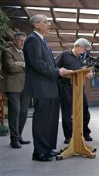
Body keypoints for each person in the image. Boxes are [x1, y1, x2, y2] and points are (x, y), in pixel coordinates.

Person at [23, 14, 71, 161]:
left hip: (50, 88)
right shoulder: (32, 40)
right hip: (41, 89)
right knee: (42, 121)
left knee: (51, 120)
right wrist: (58, 72)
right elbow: (38, 64)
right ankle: (39, 152)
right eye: (45, 22)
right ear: (36, 25)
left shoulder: (42, 40)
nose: (49, 24)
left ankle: (49, 148)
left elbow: (50, 64)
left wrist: (62, 70)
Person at [55, 38, 93, 144]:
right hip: (65, 87)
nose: (85, 52)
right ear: (77, 46)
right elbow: (55, 66)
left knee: (85, 110)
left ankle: (85, 133)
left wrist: (90, 74)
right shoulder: (64, 55)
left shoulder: (81, 58)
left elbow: (85, 70)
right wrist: (65, 71)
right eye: (84, 49)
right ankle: (69, 136)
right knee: (67, 113)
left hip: (80, 87)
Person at [1, 32, 30, 149]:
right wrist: (23, 64)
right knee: (15, 112)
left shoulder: (24, 52)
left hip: (25, 87)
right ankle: (14, 139)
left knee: (24, 112)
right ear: (15, 41)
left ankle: (19, 136)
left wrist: (19, 63)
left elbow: (30, 66)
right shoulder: (7, 51)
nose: (23, 43)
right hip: (13, 87)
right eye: (20, 41)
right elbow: (11, 68)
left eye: (24, 41)